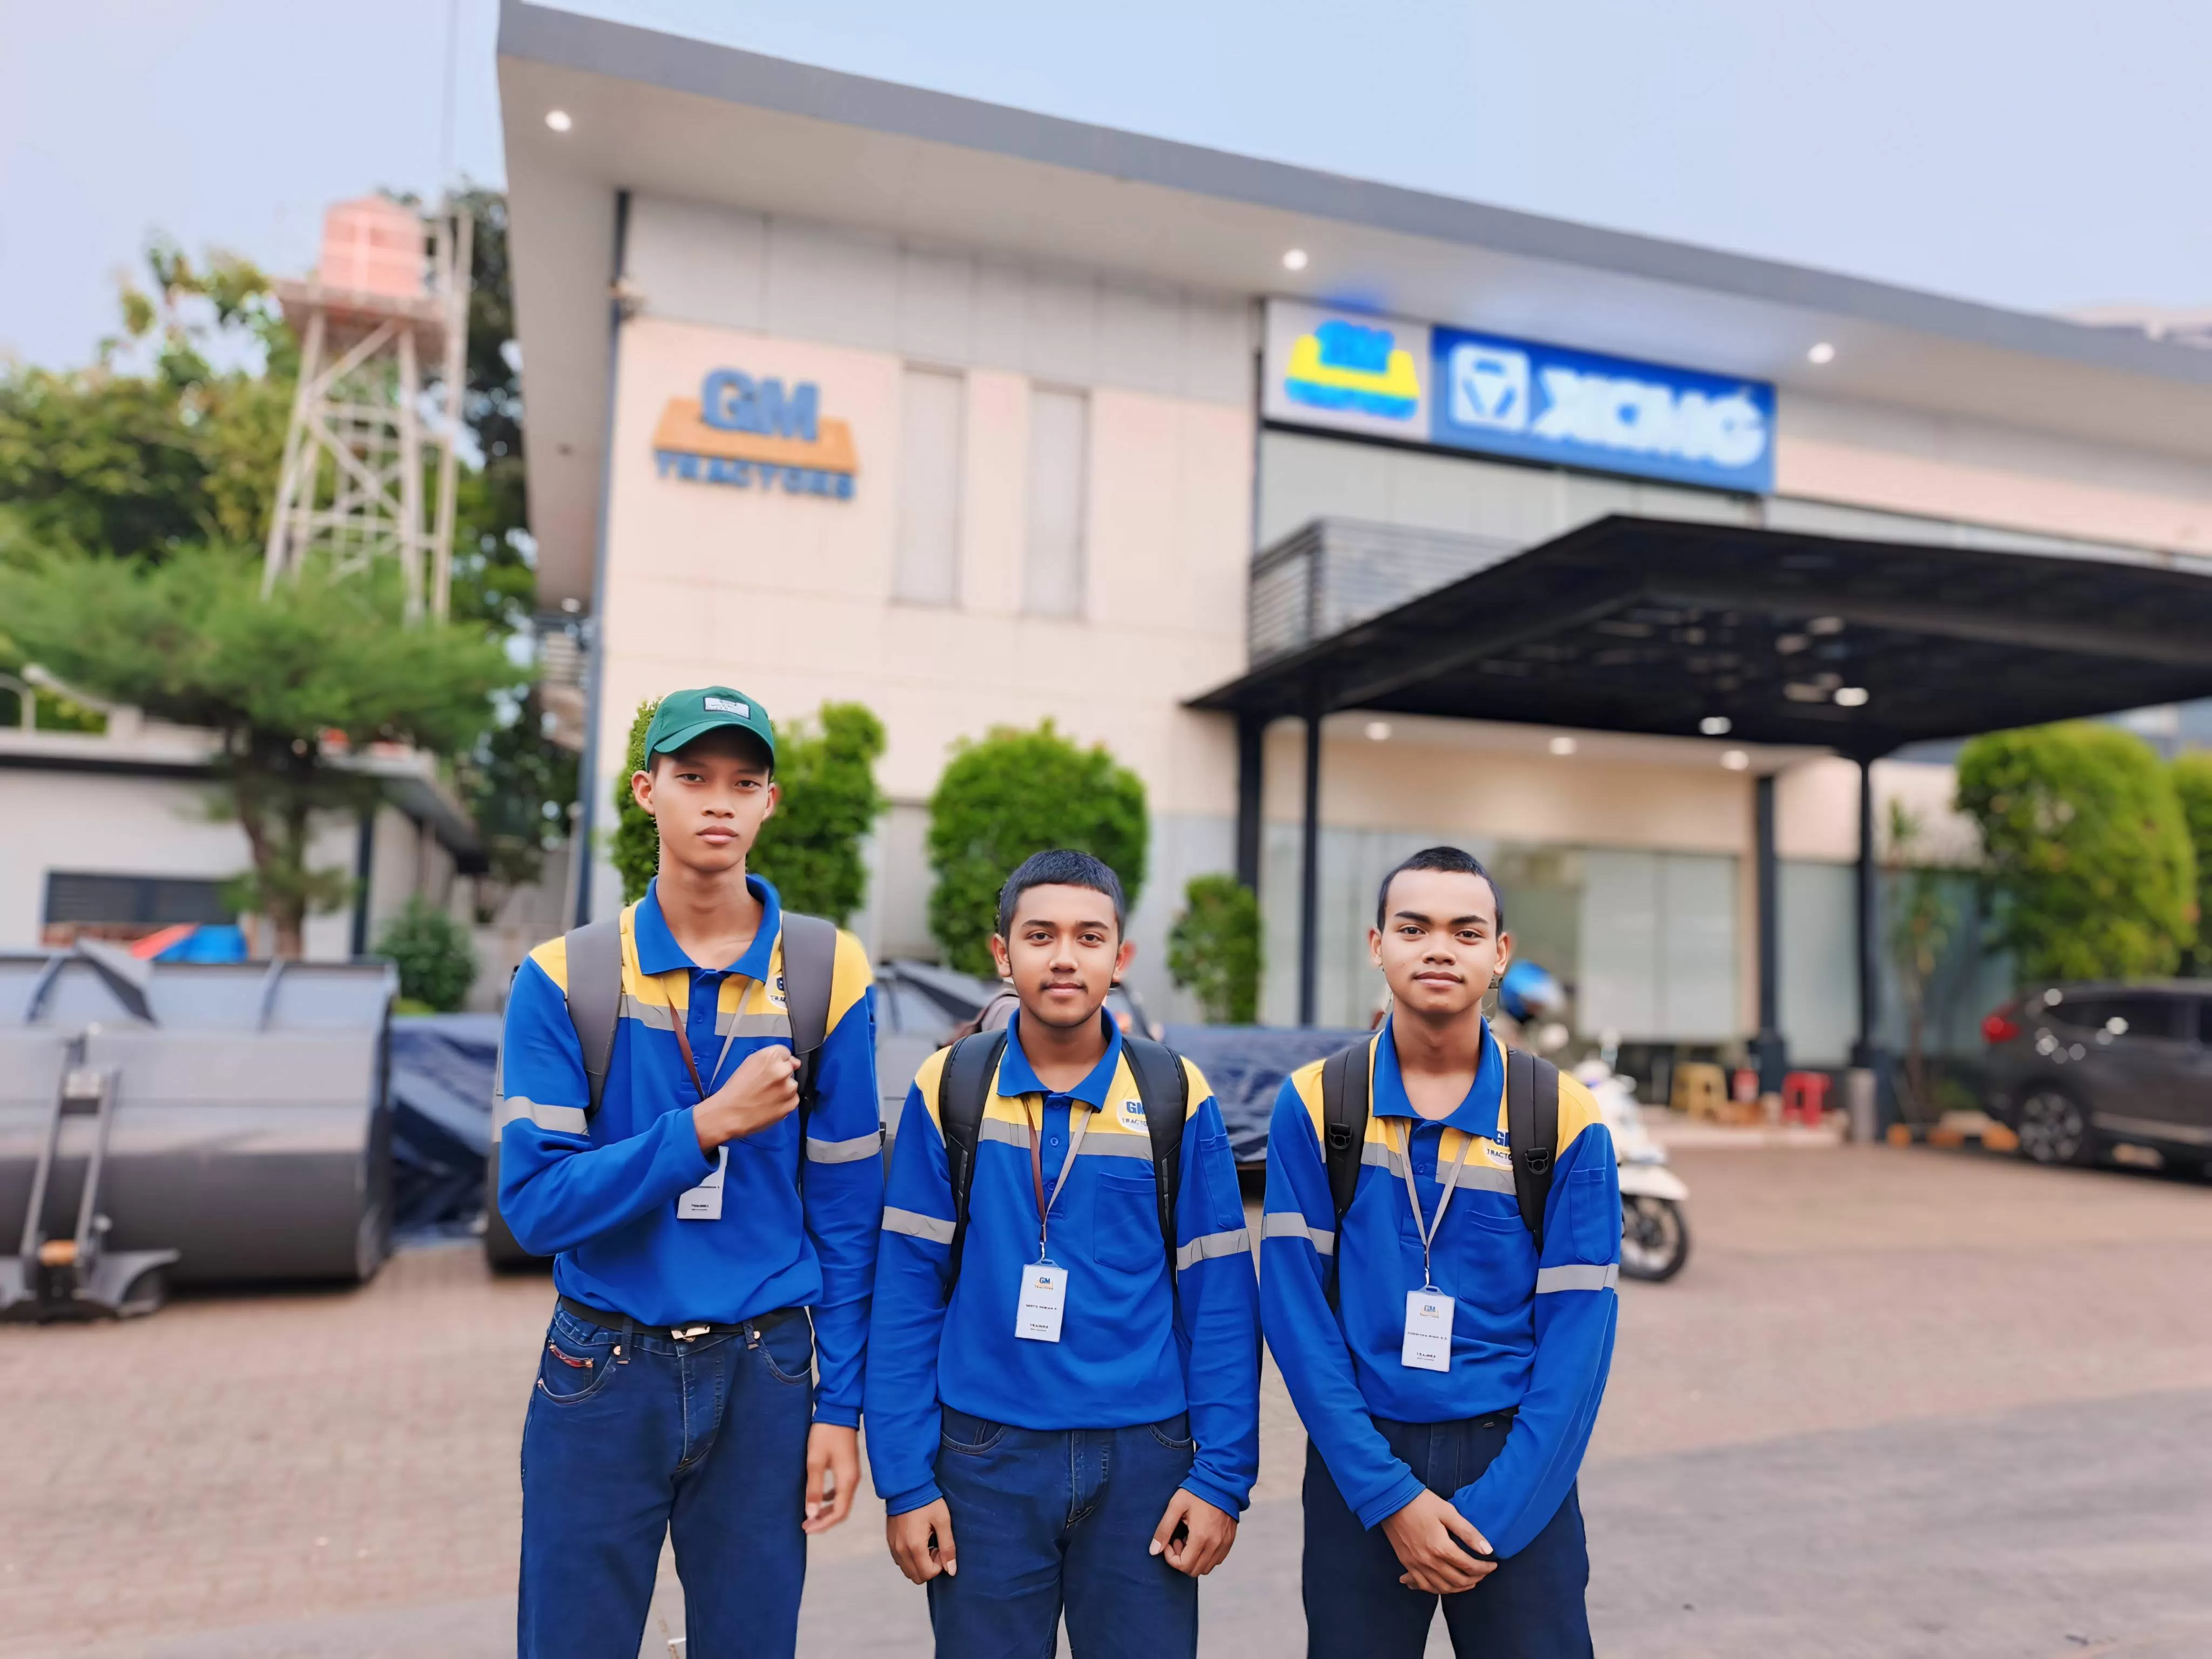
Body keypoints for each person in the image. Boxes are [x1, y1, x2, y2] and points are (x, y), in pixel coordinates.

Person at [496, 686, 882, 1659]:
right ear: (646, 791)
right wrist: (705, 1128)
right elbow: (535, 1206)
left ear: (769, 804)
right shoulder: (563, 978)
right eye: (694, 777)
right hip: (601, 1369)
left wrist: (840, 1407)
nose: (720, 801)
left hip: (767, 1372)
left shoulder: (827, 972)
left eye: (744, 783)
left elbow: (847, 1216)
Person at [866, 849, 1262, 1657]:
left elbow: (1220, 1298)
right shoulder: (949, 1087)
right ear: (1002, 953)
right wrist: (904, 1479)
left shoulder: (1175, 1095)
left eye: (1089, 937)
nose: (1064, 957)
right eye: (1040, 935)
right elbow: (907, 1293)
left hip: (1147, 1460)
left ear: (1121, 958)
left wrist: (1222, 1477)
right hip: (982, 1460)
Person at [1260, 846, 1620, 1658]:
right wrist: (1388, 1496)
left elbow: (1580, 1340)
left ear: (1500, 954)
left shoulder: (1562, 1116)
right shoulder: (1316, 1103)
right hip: (1363, 1465)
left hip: (1518, 1465)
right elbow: (1295, 1313)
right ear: (1376, 944)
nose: (1438, 949)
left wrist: (1493, 1517)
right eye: (1413, 927)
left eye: (1466, 931)